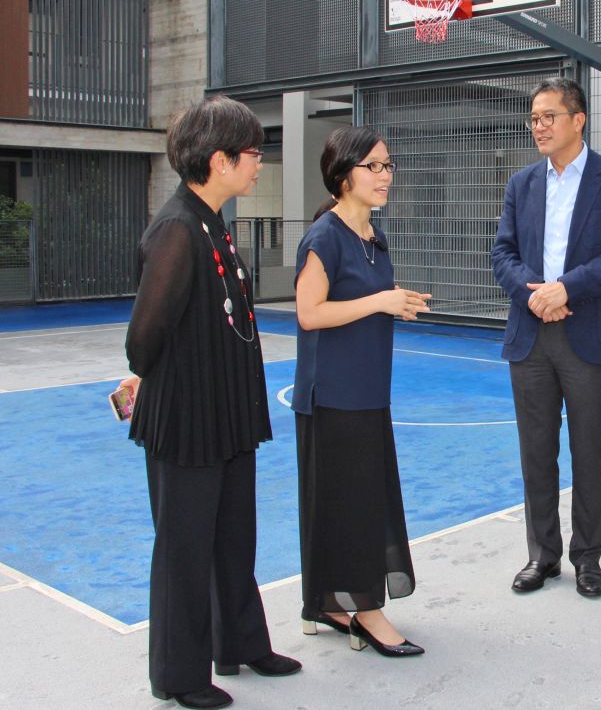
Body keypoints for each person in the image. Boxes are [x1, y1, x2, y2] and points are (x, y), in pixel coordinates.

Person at [120, 96, 300, 710]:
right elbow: (143, 338)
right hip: (188, 418)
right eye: (253, 154)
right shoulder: (177, 228)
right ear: (219, 160)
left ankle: (241, 642)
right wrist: (159, 379)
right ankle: (178, 674)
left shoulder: (211, 220)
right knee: (185, 548)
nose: (259, 165)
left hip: (225, 411)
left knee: (232, 537)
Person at [491, 77, 601, 598]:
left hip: (588, 333)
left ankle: (588, 558)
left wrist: (566, 289)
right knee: (536, 451)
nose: (539, 126)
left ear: (579, 120)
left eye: (549, 116)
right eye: (534, 118)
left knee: (587, 452)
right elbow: (502, 253)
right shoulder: (521, 184)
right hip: (530, 334)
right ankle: (543, 555)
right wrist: (532, 293)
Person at [292, 126, 431, 657]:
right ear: (342, 174)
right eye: (371, 166)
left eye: (388, 165)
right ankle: (368, 613)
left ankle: (326, 604)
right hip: (333, 398)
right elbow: (309, 314)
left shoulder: (373, 236)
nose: (384, 175)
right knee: (354, 508)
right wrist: (380, 302)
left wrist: (396, 301)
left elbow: (368, 299)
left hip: (368, 393)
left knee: (350, 503)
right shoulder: (324, 237)